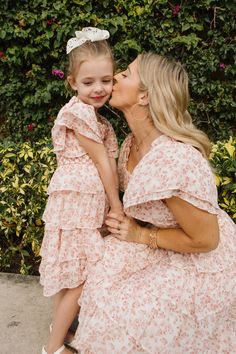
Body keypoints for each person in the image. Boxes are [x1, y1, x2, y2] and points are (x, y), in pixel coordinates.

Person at [72, 52, 236, 353]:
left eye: (127, 74)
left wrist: (140, 235)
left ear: (145, 96)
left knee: (132, 309)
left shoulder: (174, 159)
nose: (116, 76)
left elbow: (206, 239)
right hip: (160, 241)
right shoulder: (130, 145)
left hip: (200, 260)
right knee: (99, 266)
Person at [39, 27, 123, 354]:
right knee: (80, 276)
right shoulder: (77, 112)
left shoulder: (99, 120)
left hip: (83, 202)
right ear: (73, 82)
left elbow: (110, 162)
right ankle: (52, 348)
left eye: (106, 80)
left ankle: (59, 328)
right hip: (76, 203)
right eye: (88, 83)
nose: (99, 89)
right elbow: (103, 162)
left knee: (72, 273)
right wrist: (116, 206)